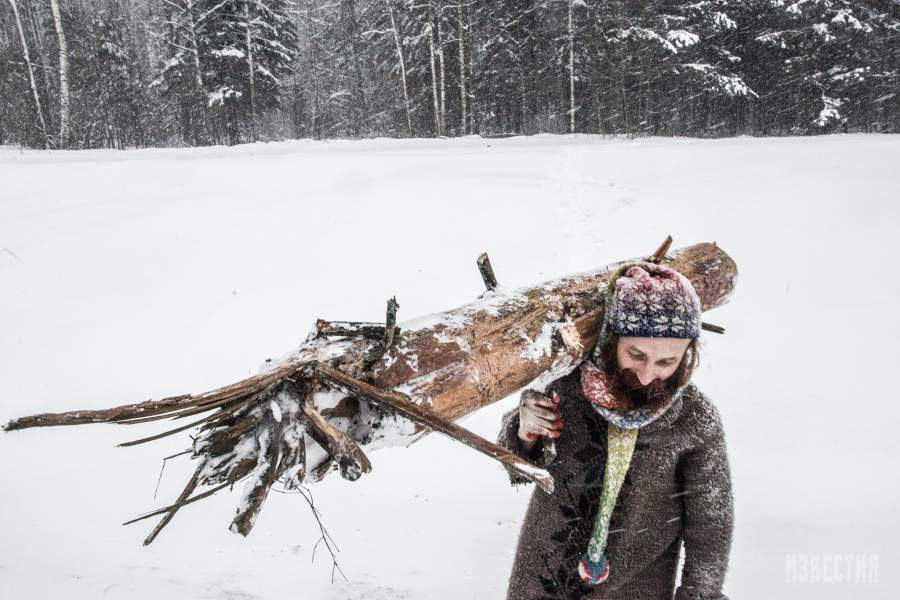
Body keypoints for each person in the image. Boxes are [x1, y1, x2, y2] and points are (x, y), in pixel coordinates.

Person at [497, 261, 733, 600]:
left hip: (637, 589)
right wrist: (524, 432)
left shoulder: (695, 419)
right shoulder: (566, 388)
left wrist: (699, 594)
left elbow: (710, 524)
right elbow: (520, 465)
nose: (647, 375)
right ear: (611, 338)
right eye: (635, 354)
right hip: (542, 583)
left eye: (668, 362)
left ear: (687, 355)